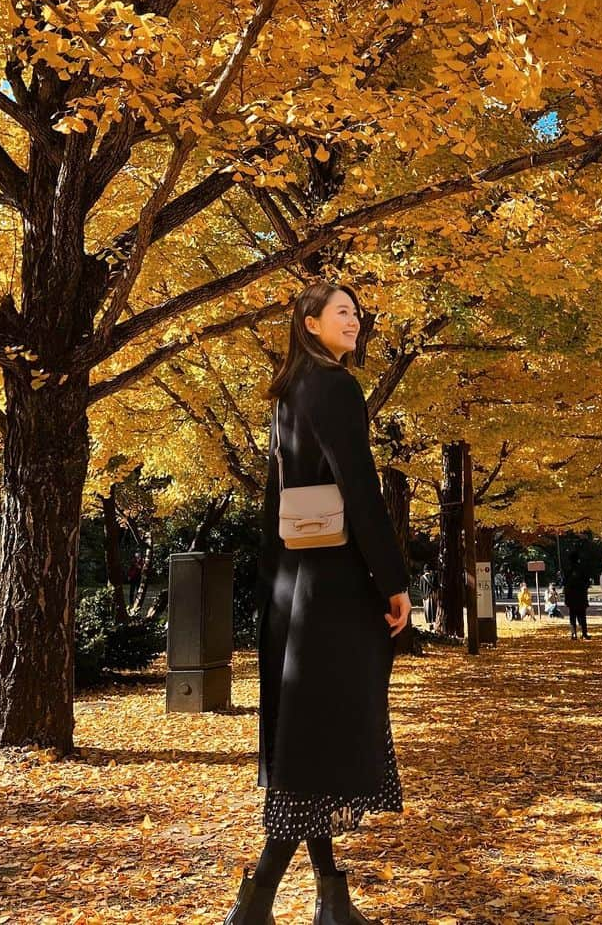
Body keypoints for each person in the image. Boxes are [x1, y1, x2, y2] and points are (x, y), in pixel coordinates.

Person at [226, 282, 412, 925]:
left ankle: (331, 896)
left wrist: (271, 592)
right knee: (321, 744)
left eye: (358, 313)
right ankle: (258, 904)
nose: (355, 321)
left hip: (295, 588)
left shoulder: (290, 394)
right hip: (332, 590)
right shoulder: (334, 387)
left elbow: (277, 502)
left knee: (310, 741)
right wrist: (392, 577)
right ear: (310, 323)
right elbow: (359, 486)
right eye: (343, 312)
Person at [564, 560, 591, 639]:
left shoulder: (568, 571)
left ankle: (574, 634)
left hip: (571, 597)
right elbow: (587, 583)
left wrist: (566, 598)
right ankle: (584, 633)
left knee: (572, 617)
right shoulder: (582, 570)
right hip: (581, 596)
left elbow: (565, 585)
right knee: (582, 616)